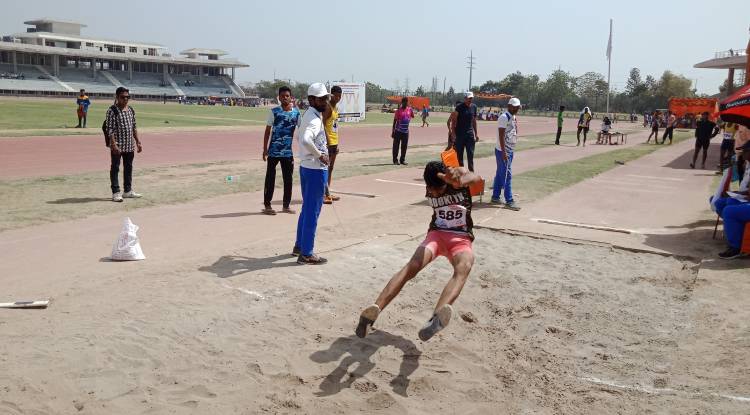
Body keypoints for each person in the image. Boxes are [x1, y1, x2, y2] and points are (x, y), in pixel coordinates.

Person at [355, 161, 483, 341]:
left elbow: (476, 178)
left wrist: (460, 181)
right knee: (412, 266)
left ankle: (435, 319)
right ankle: (370, 316)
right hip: (437, 235)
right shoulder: (431, 182)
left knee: (464, 267)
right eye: (431, 191)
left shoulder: (457, 174)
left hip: (460, 238)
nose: (434, 194)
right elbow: (434, 185)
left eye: (437, 190)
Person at [293, 83, 330, 265]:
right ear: (311, 100)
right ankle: (306, 253)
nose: (325, 101)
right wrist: (320, 155)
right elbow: (306, 139)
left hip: (307, 167)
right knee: (312, 211)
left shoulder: (308, 115)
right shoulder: (314, 119)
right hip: (315, 169)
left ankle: (300, 246)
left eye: (326, 98)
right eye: (322, 98)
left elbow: (299, 137)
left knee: (307, 209)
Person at [262, 86, 299, 215]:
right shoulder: (274, 112)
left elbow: (302, 130)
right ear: (279, 97)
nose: (285, 98)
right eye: (282, 96)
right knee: (270, 179)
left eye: (287, 96)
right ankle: (267, 205)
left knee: (288, 179)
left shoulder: (296, 113)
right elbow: (267, 131)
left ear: (291, 97)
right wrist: (264, 149)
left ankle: (286, 205)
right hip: (273, 152)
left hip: (288, 153)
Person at [105, 87, 142, 202]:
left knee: (128, 168)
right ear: (117, 97)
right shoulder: (112, 111)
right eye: (123, 97)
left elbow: (134, 127)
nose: (125, 99)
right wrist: (113, 144)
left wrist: (138, 142)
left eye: (127, 97)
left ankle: (128, 191)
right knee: (115, 168)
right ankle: (116, 192)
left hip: (129, 145)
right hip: (117, 145)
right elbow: (109, 129)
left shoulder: (130, 110)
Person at [491, 98, 522, 210]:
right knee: (507, 175)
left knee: (500, 173)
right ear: (509, 106)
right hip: (502, 151)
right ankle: (509, 200)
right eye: (515, 107)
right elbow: (501, 136)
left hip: (509, 150)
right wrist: (504, 152)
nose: (517, 108)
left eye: (518, 107)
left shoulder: (513, 116)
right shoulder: (504, 117)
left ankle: (495, 196)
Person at [450, 92, 480, 171]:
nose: (470, 99)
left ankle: (471, 174)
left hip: (469, 135)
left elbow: (474, 121)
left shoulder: (474, 107)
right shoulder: (459, 107)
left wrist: (476, 134)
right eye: (469, 98)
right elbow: (453, 121)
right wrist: (453, 133)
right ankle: (461, 174)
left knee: (470, 155)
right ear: (465, 98)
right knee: (459, 156)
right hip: (459, 135)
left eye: (471, 98)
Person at [323, 85, 342, 204]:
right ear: (332, 95)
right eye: (336, 95)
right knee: (325, 169)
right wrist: (327, 141)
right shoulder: (328, 107)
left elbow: (334, 126)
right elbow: (323, 124)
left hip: (334, 142)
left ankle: (328, 192)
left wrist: (336, 143)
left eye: (340, 96)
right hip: (328, 142)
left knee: (330, 168)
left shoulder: (336, 108)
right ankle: (324, 194)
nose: (338, 98)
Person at [391, 97, 414, 165]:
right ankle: (395, 160)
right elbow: (394, 122)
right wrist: (393, 131)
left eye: (407, 102)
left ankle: (402, 160)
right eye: (404, 102)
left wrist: (410, 112)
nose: (405, 103)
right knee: (396, 146)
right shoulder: (398, 111)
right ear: (402, 103)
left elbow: (412, 116)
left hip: (406, 132)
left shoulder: (410, 110)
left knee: (404, 146)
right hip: (398, 131)